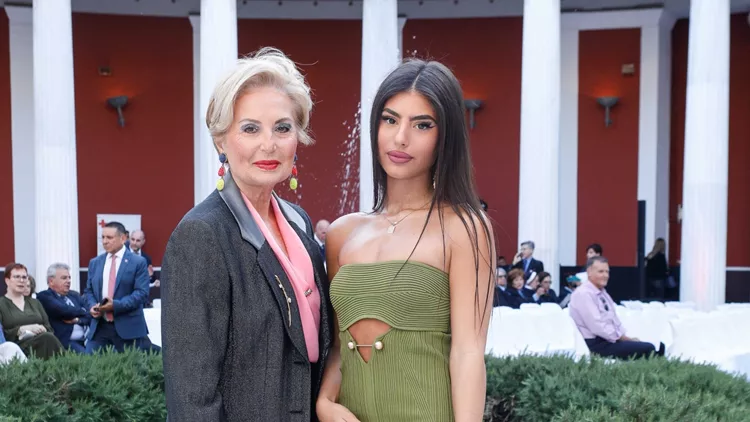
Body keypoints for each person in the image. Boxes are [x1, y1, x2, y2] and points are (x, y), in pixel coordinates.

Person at [317, 59, 495, 421]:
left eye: (422, 125)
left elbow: (468, 353)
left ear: (445, 137)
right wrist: (324, 402)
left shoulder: (464, 227)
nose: (401, 137)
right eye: (390, 119)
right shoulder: (342, 233)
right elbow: (338, 347)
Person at [161, 48, 333, 422]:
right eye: (250, 128)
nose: (268, 144)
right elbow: (192, 397)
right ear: (221, 141)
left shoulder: (300, 223)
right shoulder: (202, 235)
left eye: (282, 128)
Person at [569, 256, 665, 360]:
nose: (605, 275)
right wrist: (622, 338)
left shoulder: (602, 292)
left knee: (651, 346)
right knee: (648, 348)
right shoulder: (583, 294)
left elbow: (614, 320)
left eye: (607, 272)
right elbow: (597, 326)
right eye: (601, 272)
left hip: (608, 340)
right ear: (589, 272)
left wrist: (625, 338)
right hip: (596, 344)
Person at [83, 221, 151, 353]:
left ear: (123, 238)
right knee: (89, 363)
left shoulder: (138, 262)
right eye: (103, 237)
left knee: (130, 365)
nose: (105, 241)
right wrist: (92, 306)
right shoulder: (95, 263)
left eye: (109, 237)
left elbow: (141, 293)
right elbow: (89, 291)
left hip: (128, 327)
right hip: (100, 326)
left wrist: (115, 305)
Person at [0, 263, 63, 359]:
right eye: (17, 277)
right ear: (7, 280)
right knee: (47, 339)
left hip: (42, 340)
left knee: (48, 337)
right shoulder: (1, 304)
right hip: (16, 347)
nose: (21, 280)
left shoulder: (35, 303)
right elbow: (2, 335)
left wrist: (41, 328)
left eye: (24, 277)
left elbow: (49, 329)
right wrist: (21, 330)